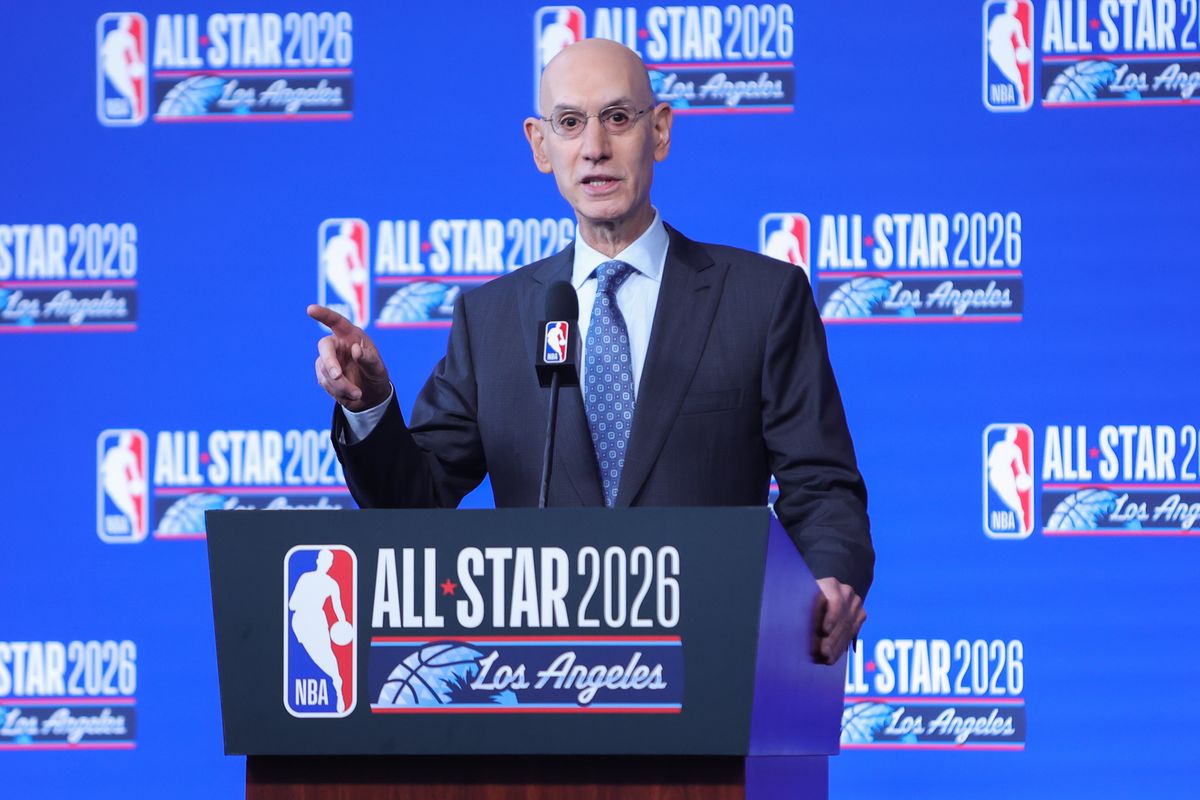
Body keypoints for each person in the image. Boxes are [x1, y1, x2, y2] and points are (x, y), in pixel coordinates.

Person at [308, 38, 873, 665]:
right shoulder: (491, 320)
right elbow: (414, 505)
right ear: (540, 145)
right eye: (570, 122)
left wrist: (830, 581)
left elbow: (822, 486)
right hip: (540, 688)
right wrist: (373, 404)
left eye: (618, 118)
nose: (595, 147)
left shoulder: (761, 300)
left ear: (659, 132)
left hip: (715, 666)